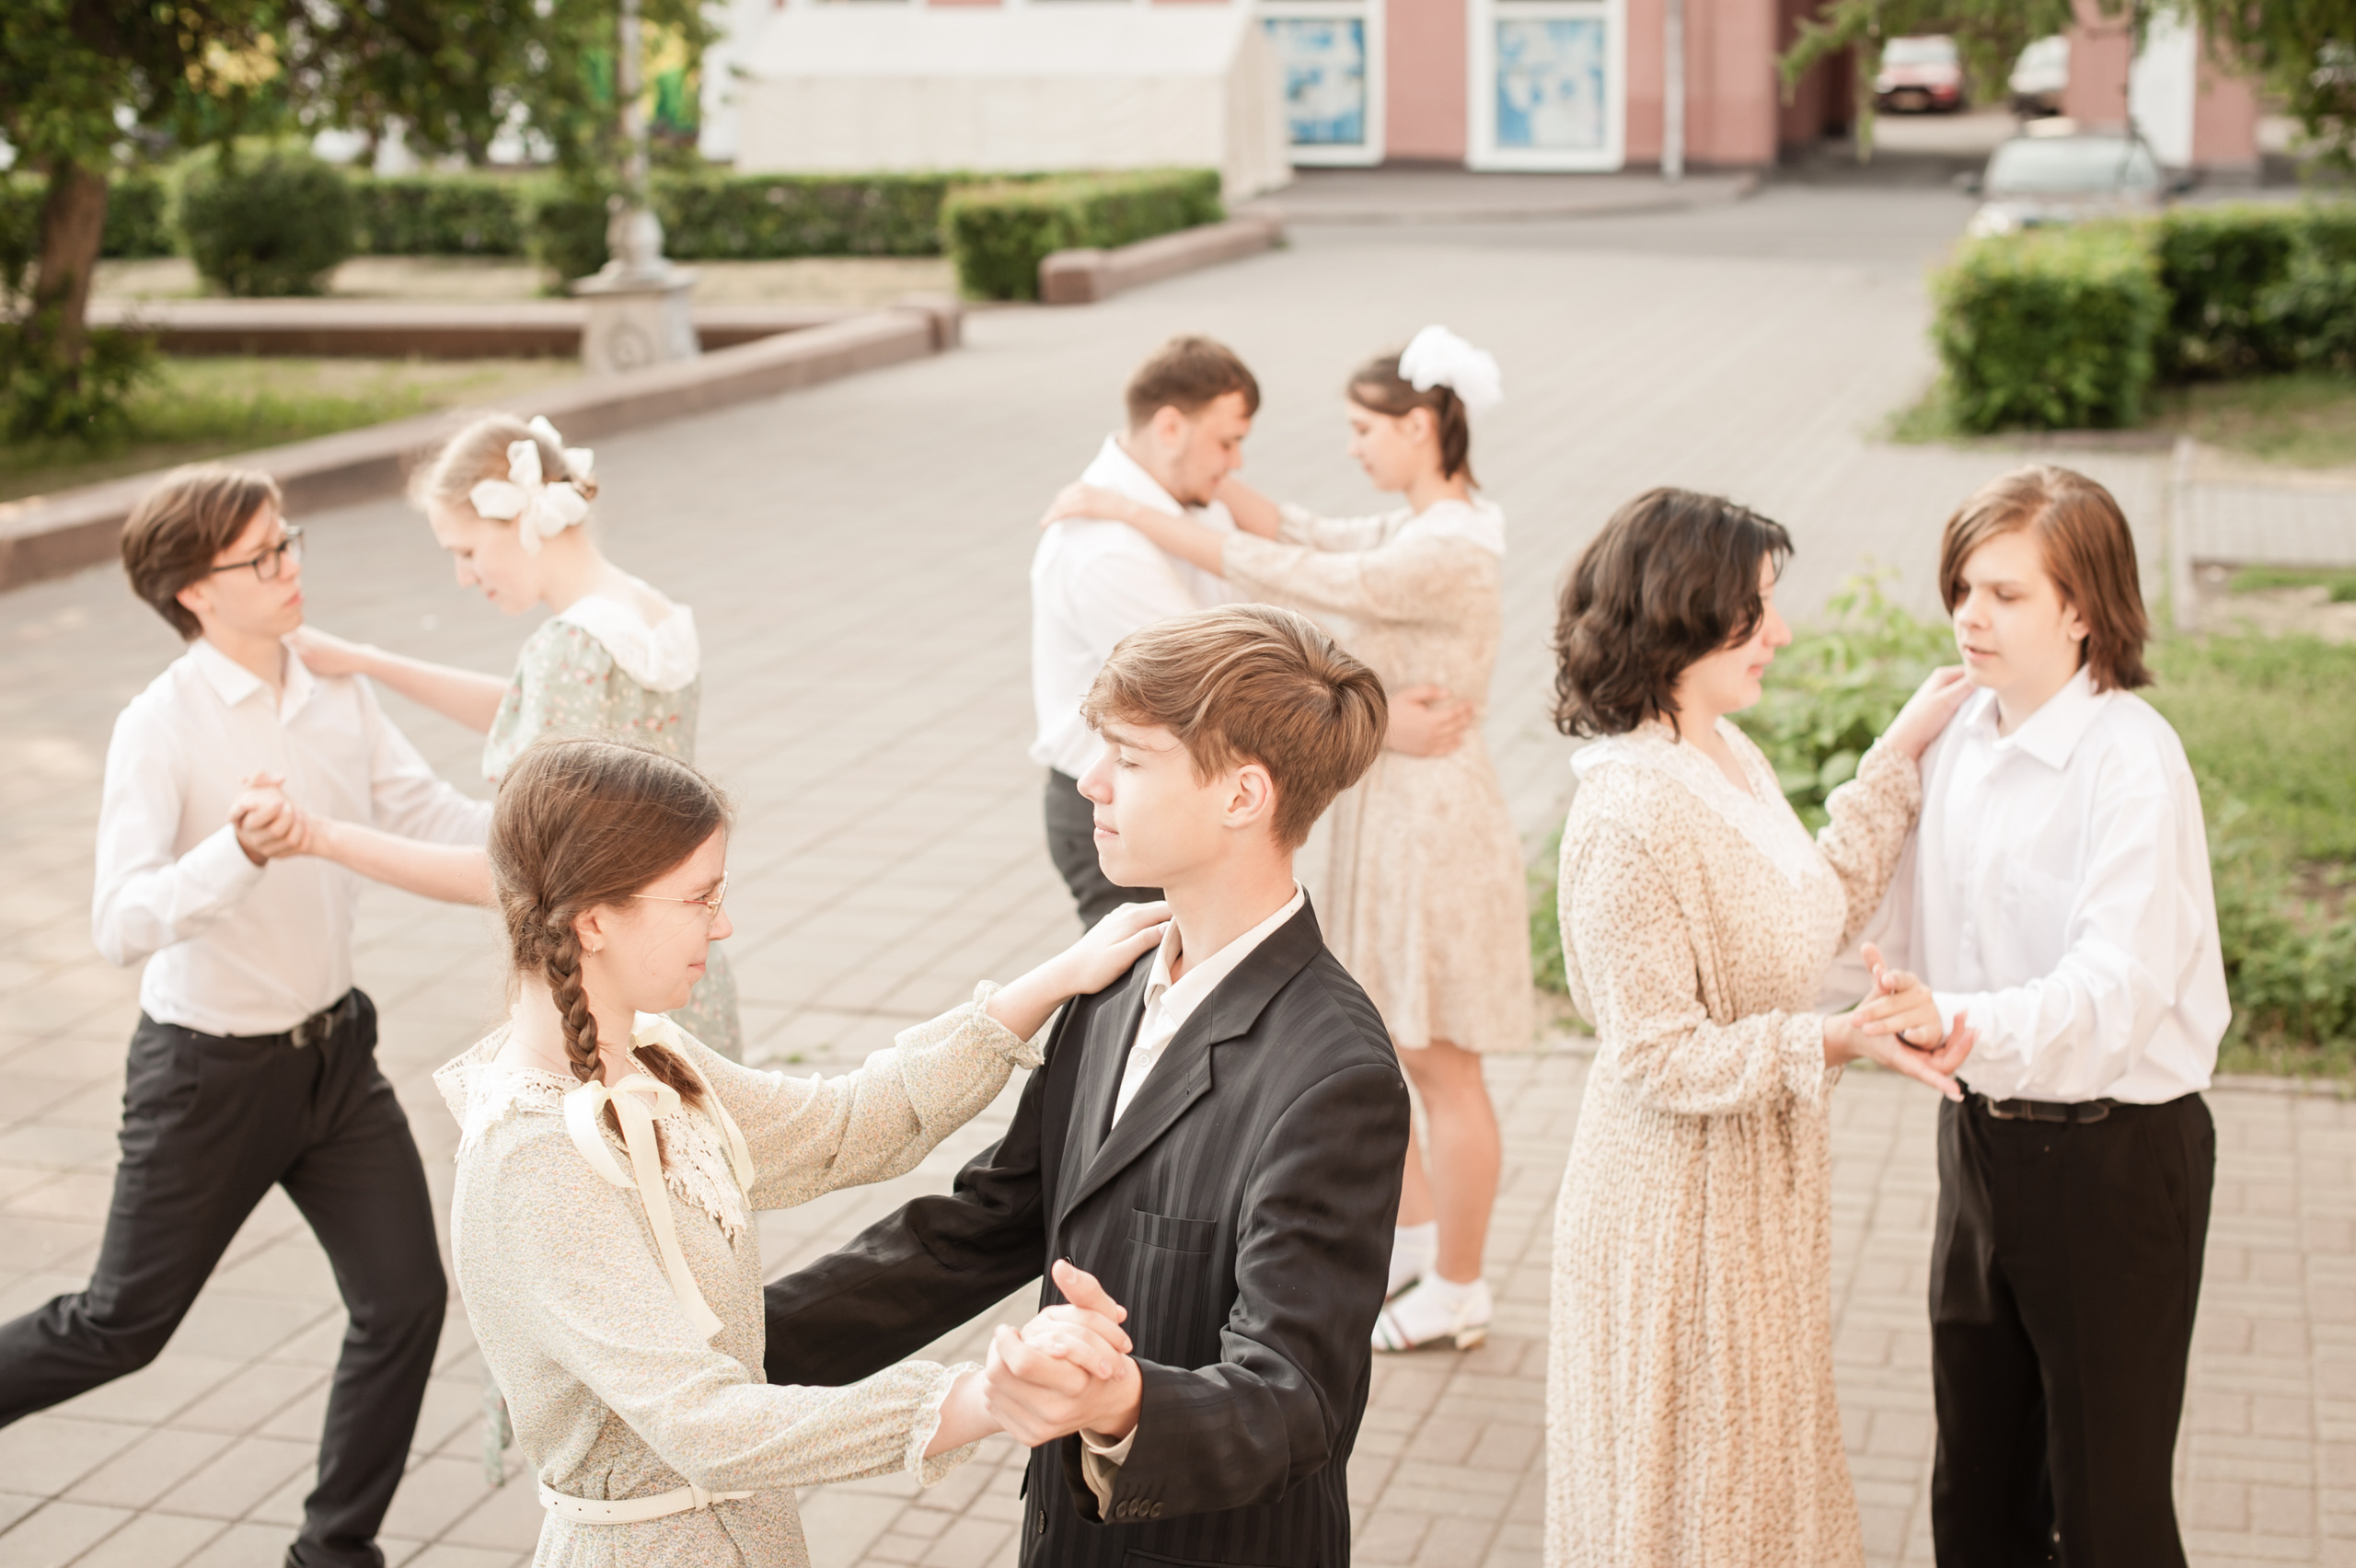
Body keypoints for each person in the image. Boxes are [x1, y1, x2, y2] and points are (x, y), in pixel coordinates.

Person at [764, 605, 1411, 1567]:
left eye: (1131, 759)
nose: (1089, 781)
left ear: (1242, 795)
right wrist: (731, 1347)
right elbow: (993, 1223)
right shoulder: (1110, 980)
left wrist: (1121, 1403)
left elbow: (1297, 1398)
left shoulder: (1333, 1074)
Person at [436, 735, 1165, 1566]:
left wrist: (1051, 982)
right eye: (699, 899)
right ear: (593, 921)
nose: (725, 923)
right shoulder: (533, 1160)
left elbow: (846, 1128)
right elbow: (706, 1425)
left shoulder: (655, 1060)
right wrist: (982, 1398)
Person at [0, 466, 492, 1568]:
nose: (291, 569)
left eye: (290, 542)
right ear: (192, 592)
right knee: (120, 1329)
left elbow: (431, 814)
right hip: (206, 1079)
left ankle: (332, 1553)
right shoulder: (160, 727)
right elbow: (119, 923)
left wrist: (551, 826)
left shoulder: (330, 684)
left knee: (405, 1298)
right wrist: (237, 853)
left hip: (337, 1062)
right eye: (262, 559)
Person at [1043, 325, 1531, 1353]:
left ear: (1417, 426)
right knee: (1399, 1044)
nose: (1352, 446)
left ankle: (1459, 1281)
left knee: (1441, 1060)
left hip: (1432, 822)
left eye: (1363, 428)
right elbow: (1307, 530)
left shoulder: (1446, 544)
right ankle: (1420, 1246)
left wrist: (1137, 507)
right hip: (1395, 809)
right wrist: (1174, 496)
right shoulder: (1431, 522)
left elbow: (1303, 573)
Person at [1542, 488, 1979, 1568]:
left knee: (1751, 1483)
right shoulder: (1626, 813)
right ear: (1681, 615)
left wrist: (1898, 753)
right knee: (1699, 1498)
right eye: (1756, 609)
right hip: (1673, 1212)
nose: (1780, 633)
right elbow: (1651, 1052)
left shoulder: (1724, 753)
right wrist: (1835, 1039)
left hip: (1750, 1194)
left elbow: (1810, 906)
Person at [1849, 467, 2228, 1567]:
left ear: (2081, 609)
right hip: (1978, 1140)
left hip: (2115, 1158)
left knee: (2107, 1511)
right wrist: (1890, 760)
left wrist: (1948, 1012)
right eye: (1963, 586)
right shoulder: (1958, 734)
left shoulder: (2131, 764)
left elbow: (2114, 994)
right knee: (1975, 1495)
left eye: (2006, 594)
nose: (1970, 614)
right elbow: (1882, 934)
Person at [283, 411, 744, 1058]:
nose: (465, 577)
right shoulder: (644, 612)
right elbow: (535, 710)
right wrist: (369, 661)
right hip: (684, 956)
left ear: (517, 518)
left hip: (613, 983)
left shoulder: (567, 647)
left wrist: (322, 837)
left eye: (465, 552)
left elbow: (517, 876)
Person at [1027, 335, 1465, 928]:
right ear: (1170, 429)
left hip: (1175, 796)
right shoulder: (1104, 548)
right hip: (1121, 806)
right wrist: (1374, 717)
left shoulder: (1185, 498)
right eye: (1228, 442)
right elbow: (1215, 685)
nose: (1235, 464)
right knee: (1149, 1008)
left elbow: (1280, 581)